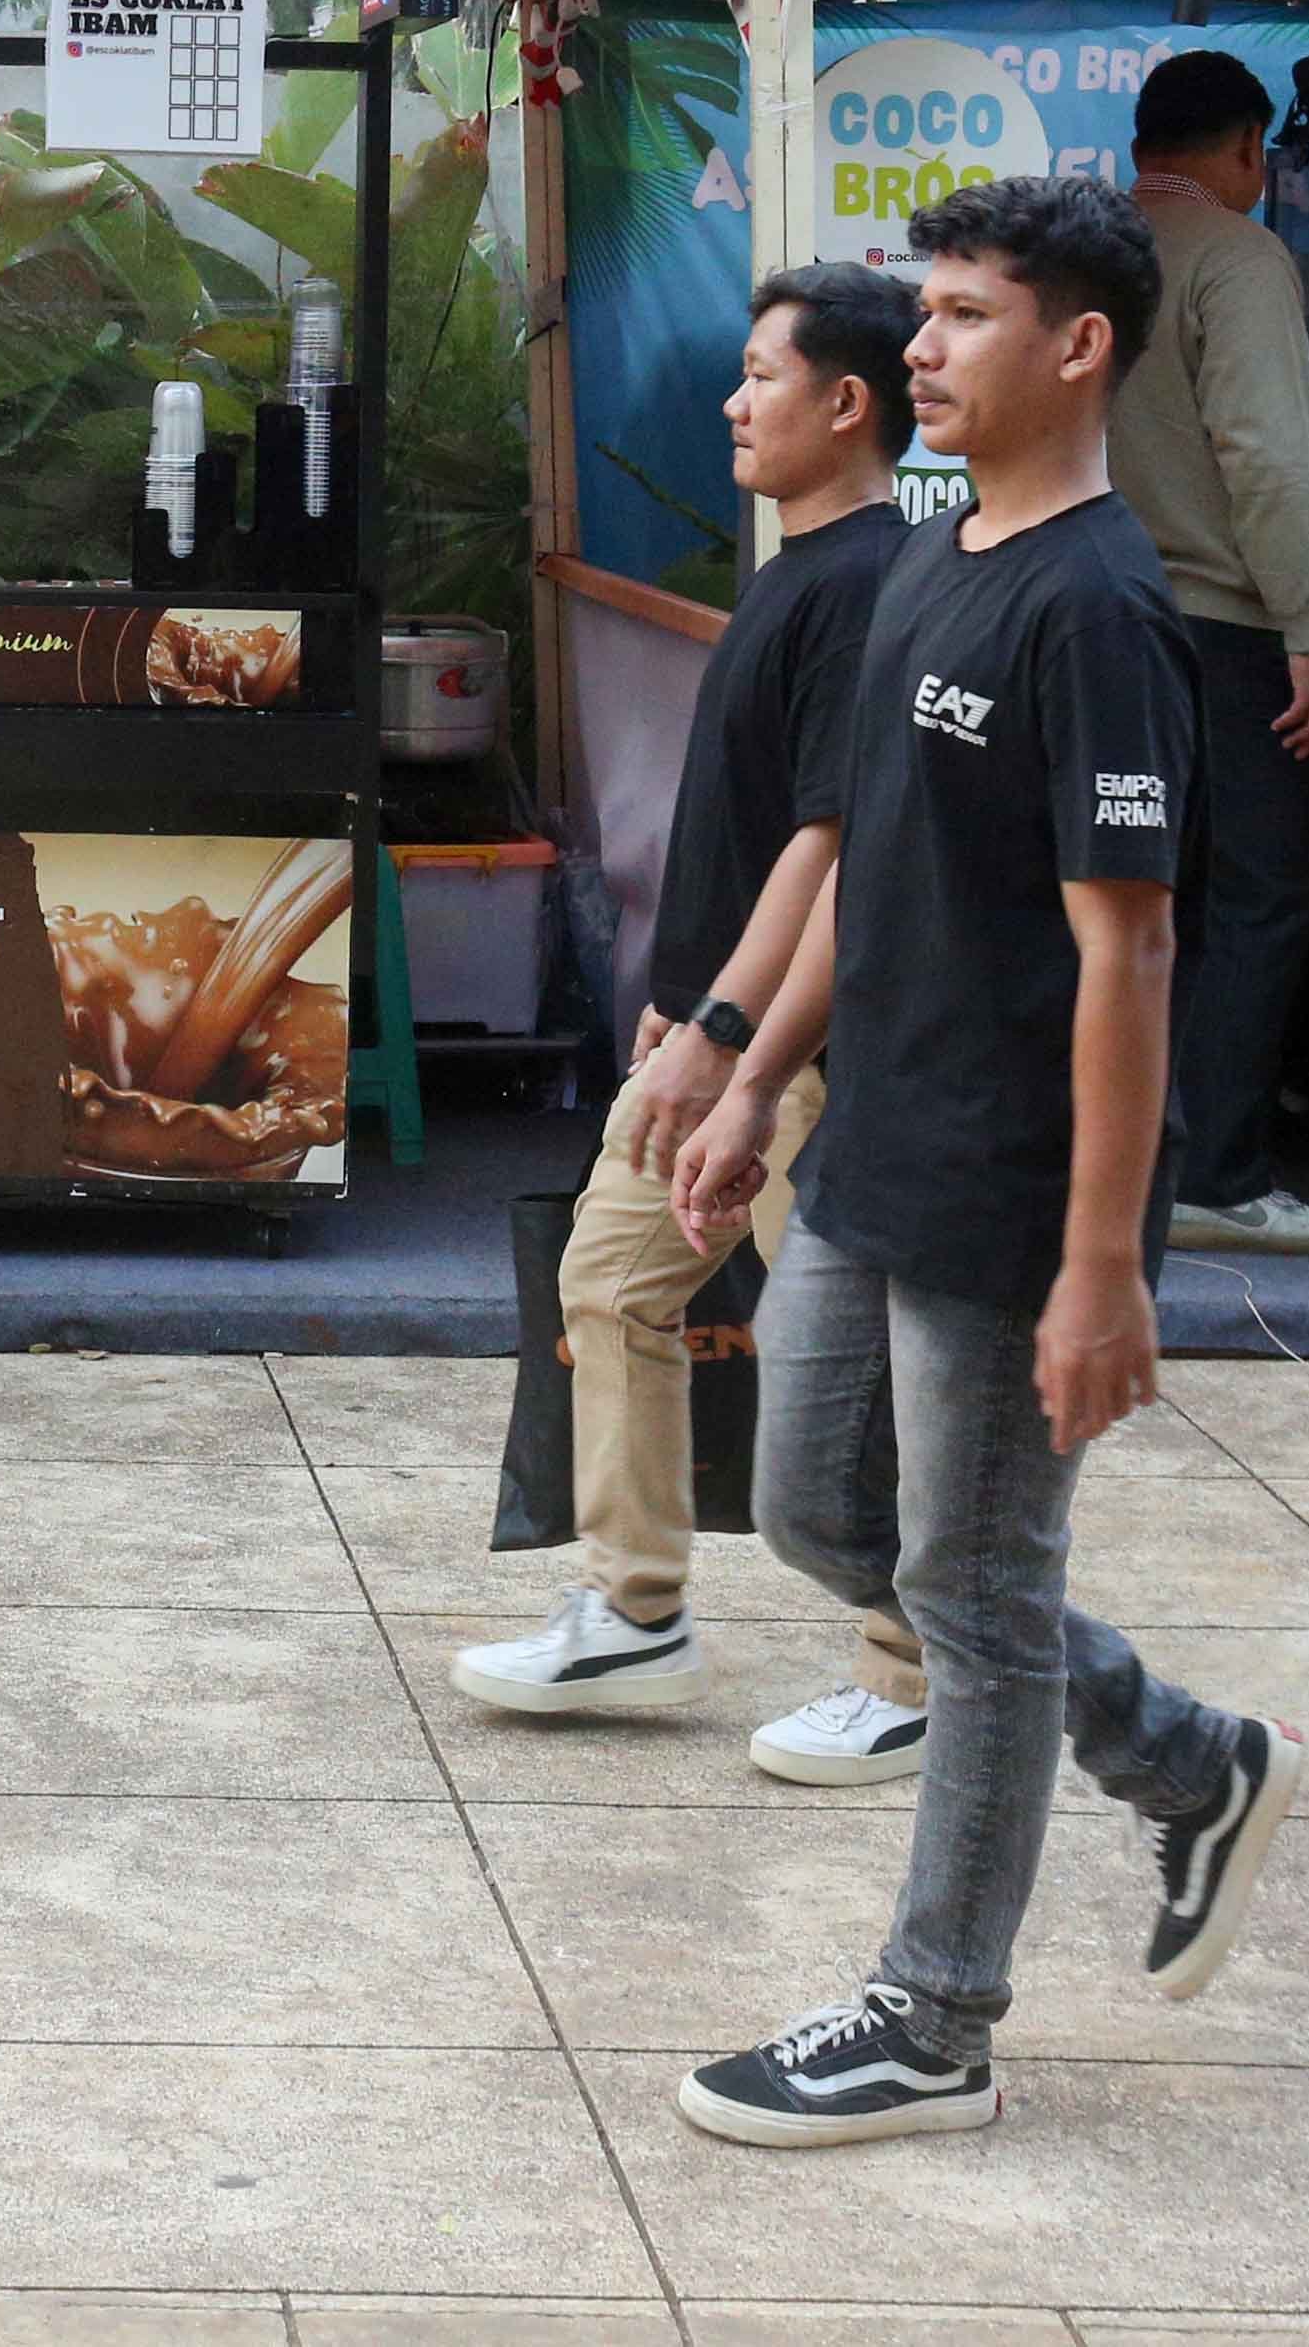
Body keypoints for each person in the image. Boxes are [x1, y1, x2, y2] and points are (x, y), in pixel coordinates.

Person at [663, 173, 1308, 2150]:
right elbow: (863, 854)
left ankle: (937, 2011)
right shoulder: (931, 558)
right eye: (919, 312)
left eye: (958, 314)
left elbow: (1134, 946)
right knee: (819, 1514)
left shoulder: (1106, 608)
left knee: (975, 1581)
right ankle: (1182, 1752)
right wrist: (759, 1073)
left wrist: (1102, 1259)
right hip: (878, 1139)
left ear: (1077, 345)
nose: (919, 346)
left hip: (1018, 1180)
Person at [457, 264, 934, 1785]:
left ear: (847, 403)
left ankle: (914, 1663)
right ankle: (634, 1603)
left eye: (760, 375)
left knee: (862, 1367)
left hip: (804, 1052)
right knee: (608, 1279)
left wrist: (731, 1035)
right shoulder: (800, 568)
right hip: (712, 1034)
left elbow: (835, 841)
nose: (734, 402)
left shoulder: (867, 583)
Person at [1110, 50, 1309, 1258]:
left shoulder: (1080, 248)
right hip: (1219, 621)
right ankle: (1221, 1171)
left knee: (1140, 890)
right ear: (1246, 145)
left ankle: (1129, 1146)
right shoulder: (1238, 258)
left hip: (1092, 613)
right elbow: (1264, 455)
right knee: (1260, 889)